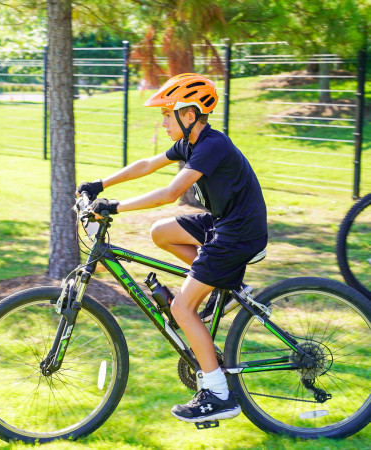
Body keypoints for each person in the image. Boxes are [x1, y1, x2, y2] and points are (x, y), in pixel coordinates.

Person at [77, 73, 268, 424]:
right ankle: (227, 287)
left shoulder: (212, 145)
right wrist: (99, 183)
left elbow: (168, 192)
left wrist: (114, 206)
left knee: (182, 308)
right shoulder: (191, 143)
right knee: (162, 232)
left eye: (168, 114)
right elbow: (148, 165)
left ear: (190, 115)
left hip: (238, 234)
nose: (163, 121)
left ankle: (217, 394)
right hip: (226, 224)